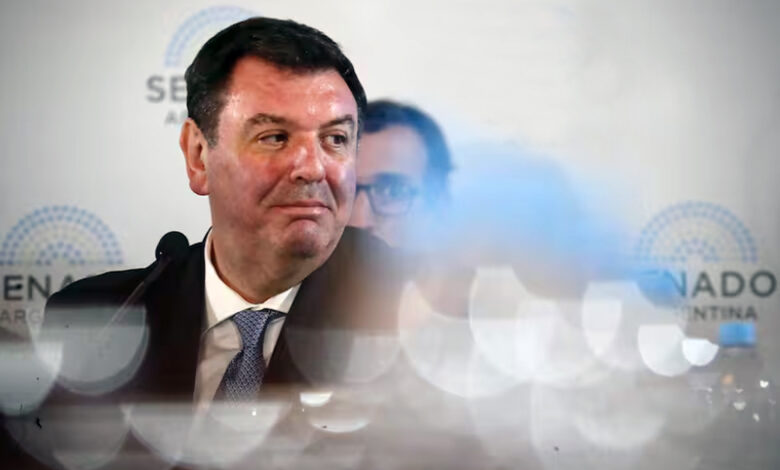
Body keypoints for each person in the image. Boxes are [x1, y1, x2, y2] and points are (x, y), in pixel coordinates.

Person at [2, 17, 402, 469]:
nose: (312, 167)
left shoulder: (410, 313)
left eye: (335, 139)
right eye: (274, 137)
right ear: (197, 155)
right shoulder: (98, 319)